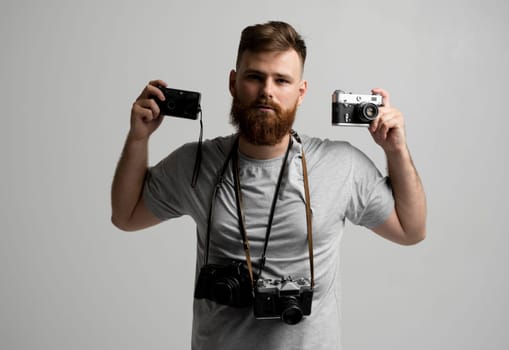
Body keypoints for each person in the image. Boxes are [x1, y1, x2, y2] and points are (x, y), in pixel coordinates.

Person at [111, 21, 426, 350]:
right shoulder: (196, 164)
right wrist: (138, 137)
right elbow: (126, 216)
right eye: (255, 77)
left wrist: (396, 150)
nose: (267, 91)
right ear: (234, 83)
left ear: (301, 92)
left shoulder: (340, 164)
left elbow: (411, 230)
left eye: (282, 80)